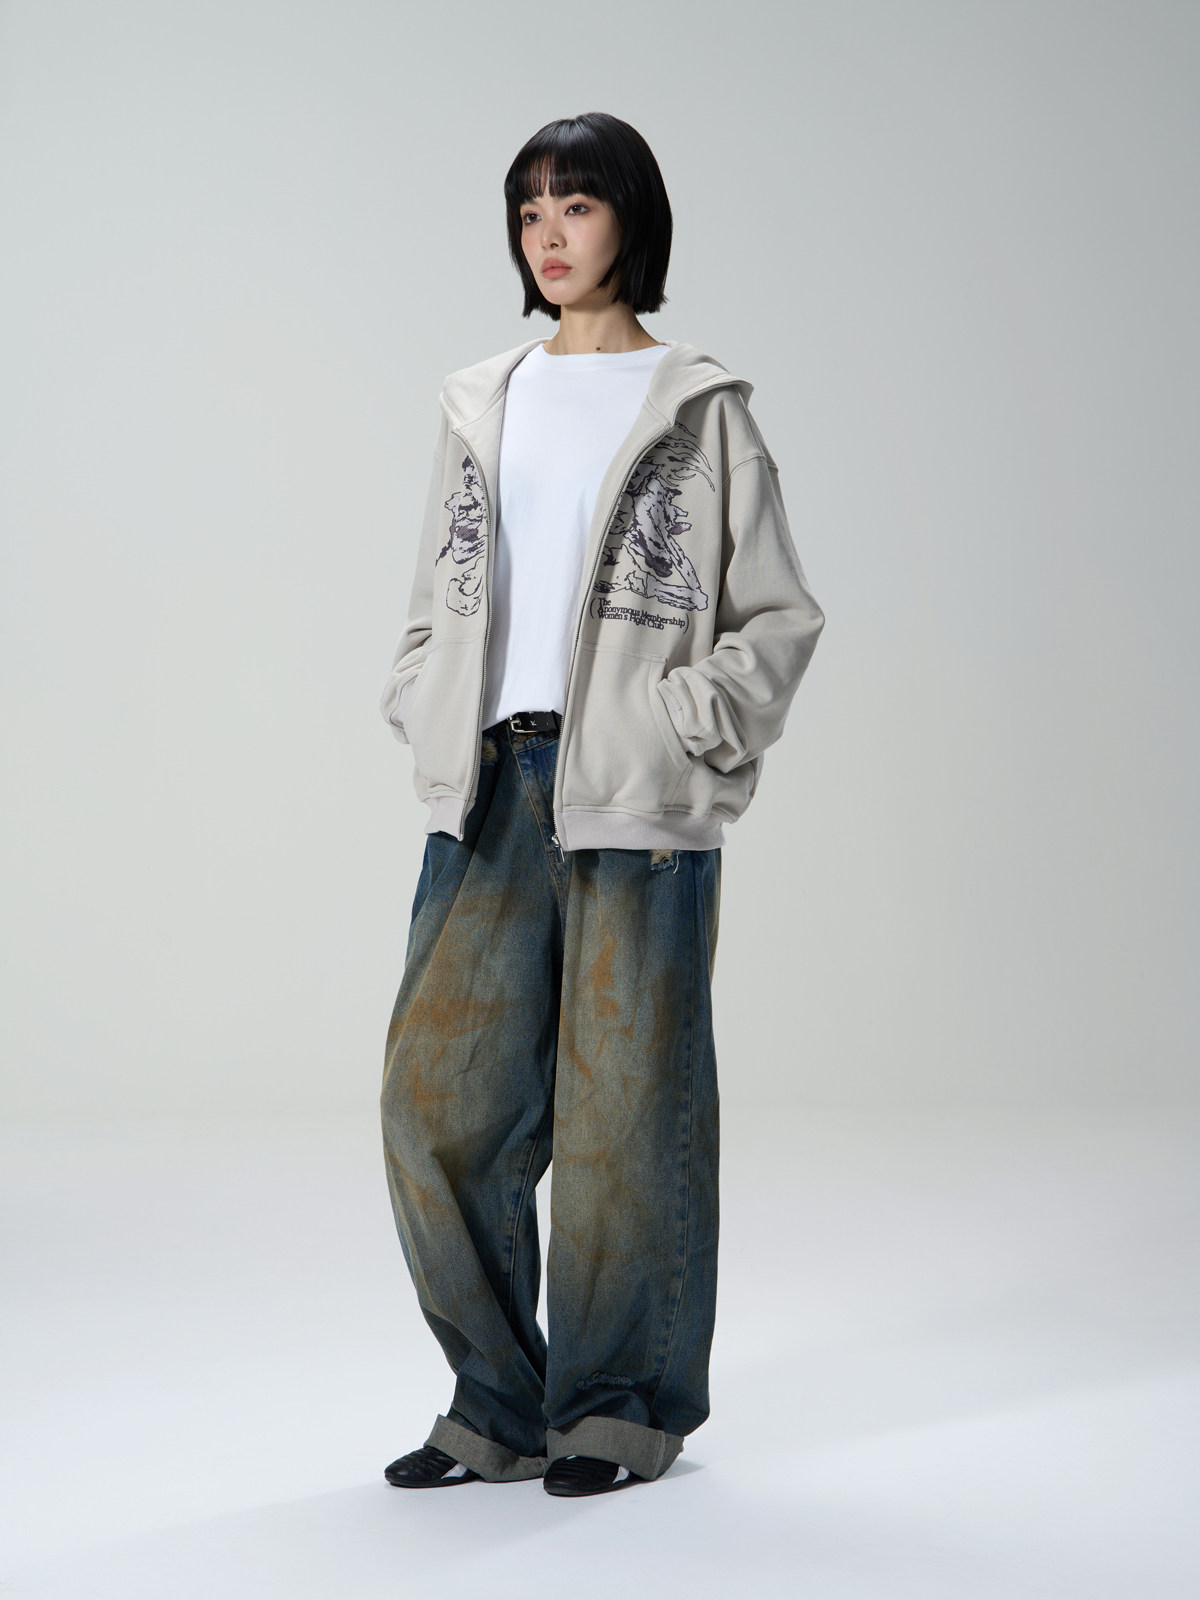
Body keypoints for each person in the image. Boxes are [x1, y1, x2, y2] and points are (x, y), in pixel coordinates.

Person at [376, 112, 825, 1498]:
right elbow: (437, 595)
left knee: (626, 1115)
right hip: (491, 784)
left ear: (633, 218)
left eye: (575, 204)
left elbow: (777, 615)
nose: (549, 234)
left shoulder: (700, 407)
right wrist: (421, 696)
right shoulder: (484, 398)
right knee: (436, 1106)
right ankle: (497, 1404)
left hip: (633, 793)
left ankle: (617, 1412)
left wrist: (687, 726)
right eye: (529, 211)